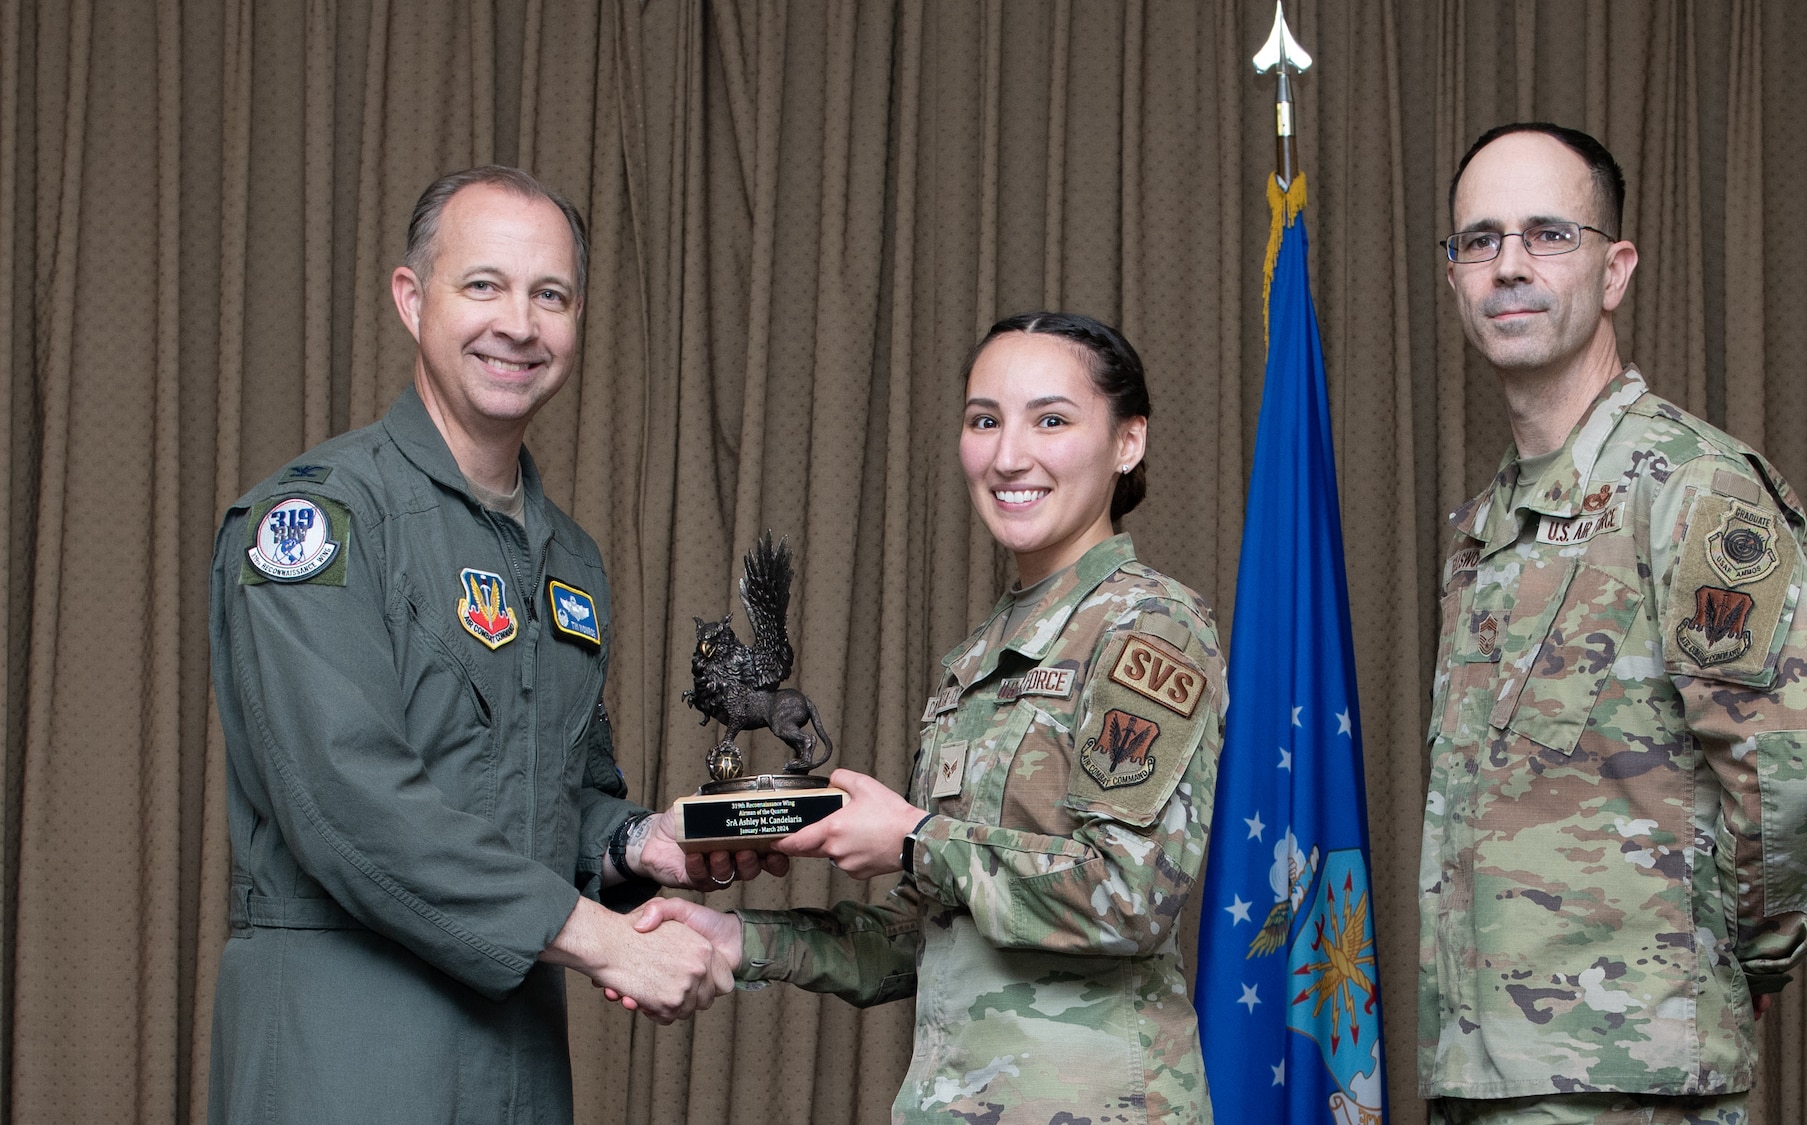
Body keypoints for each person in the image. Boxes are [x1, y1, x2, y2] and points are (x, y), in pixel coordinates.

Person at [207, 165, 779, 1124]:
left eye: (548, 295)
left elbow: (558, 793)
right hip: (344, 1047)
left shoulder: (569, 559)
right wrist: (601, 937)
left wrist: (647, 844)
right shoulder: (316, 520)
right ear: (410, 297)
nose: (518, 323)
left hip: (514, 1057)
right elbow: (347, 801)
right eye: (483, 285)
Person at [627, 312, 1226, 1123]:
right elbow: (930, 930)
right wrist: (743, 941)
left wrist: (912, 837)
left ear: (1128, 441)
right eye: (985, 420)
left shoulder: (1149, 625)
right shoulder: (975, 659)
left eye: (1051, 419)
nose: (1010, 454)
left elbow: (1125, 892)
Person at [1419, 123, 1807, 1125]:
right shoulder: (1484, 529)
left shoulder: (1688, 486)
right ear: (1451, 276)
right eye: (1478, 241)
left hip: (1635, 1080)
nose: (1507, 267)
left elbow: (1803, 769)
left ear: (1612, 267)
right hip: (1487, 1071)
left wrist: (1723, 964)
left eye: (1546, 234)